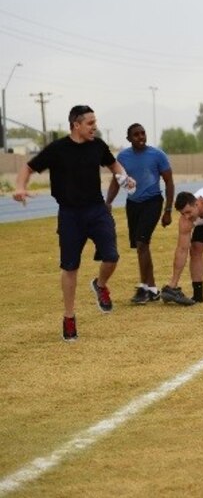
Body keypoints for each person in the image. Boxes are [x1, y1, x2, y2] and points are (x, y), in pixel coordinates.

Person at [13, 104, 136, 341]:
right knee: (70, 267)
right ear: (76, 125)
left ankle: (100, 285)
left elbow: (114, 165)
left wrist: (124, 178)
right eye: (90, 123)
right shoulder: (57, 149)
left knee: (111, 256)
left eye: (95, 122)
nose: (94, 127)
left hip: (97, 210)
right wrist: (20, 187)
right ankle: (69, 318)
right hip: (69, 214)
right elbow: (27, 168)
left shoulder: (98, 146)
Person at [105, 123, 175, 304]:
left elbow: (169, 182)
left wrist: (168, 210)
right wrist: (108, 202)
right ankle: (152, 289)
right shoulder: (123, 157)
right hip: (133, 204)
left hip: (152, 202)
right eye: (136, 135)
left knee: (142, 243)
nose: (141, 137)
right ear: (129, 138)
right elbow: (116, 181)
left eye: (143, 133)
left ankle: (144, 288)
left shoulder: (157, 155)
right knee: (141, 246)